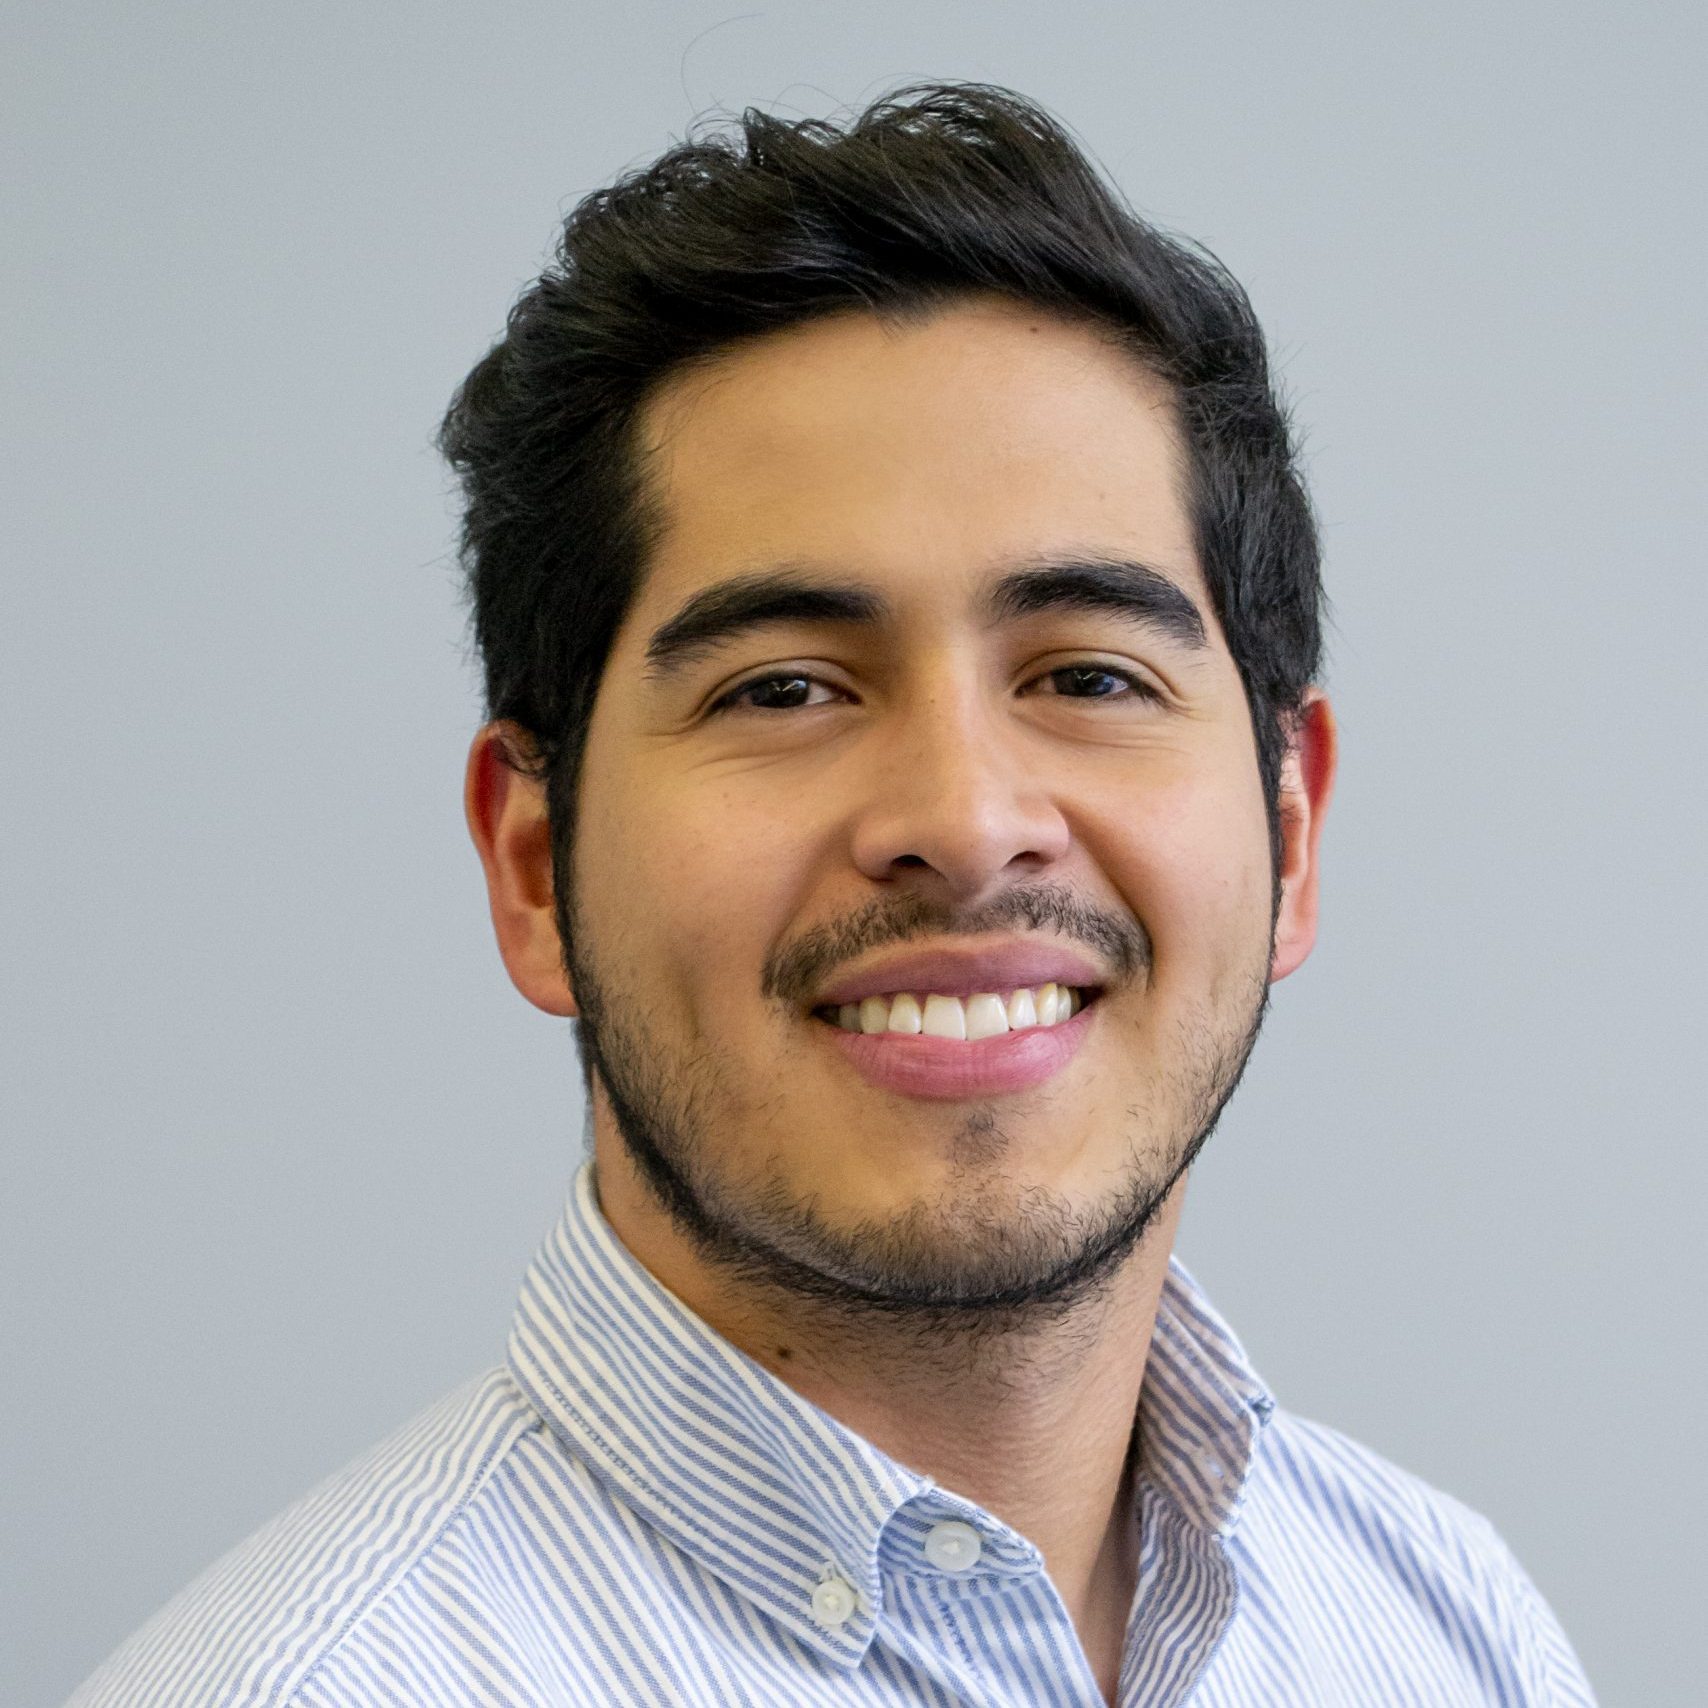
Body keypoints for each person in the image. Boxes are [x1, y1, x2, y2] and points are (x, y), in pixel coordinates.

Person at [69, 81, 1596, 1707]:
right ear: (531, 868)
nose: (966, 822)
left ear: (1292, 827)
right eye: (785, 689)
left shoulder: (1448, 1631)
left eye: (1089, 674)